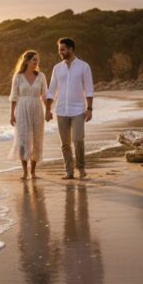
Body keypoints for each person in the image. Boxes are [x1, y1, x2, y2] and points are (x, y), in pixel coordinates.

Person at [45, 37, 94, 179]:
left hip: (78, 109)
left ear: (71, 49)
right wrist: (48, 109)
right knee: (65, 144)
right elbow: (51, 90)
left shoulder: (84, 66)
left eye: (63, 49)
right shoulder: (57, 68)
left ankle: (81, 167)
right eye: (59, 49)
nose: (60, 52)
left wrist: (89, 109)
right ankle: (69, 171)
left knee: (78, 139)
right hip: (61, 110)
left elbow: (89, 89)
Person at [9, 50, 49, 180]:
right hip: (21, 109)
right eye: (34, 60)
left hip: (37, 108)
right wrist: (11, 114)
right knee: (23, 140)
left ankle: (33, 172)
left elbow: (45, 95)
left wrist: (48, 110)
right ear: (27, 61)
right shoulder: (18, 76)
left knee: (37, 139)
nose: (36, 62)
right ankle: (25, 171)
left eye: (38, 60)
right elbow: (14, 96)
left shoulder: (41, 76)